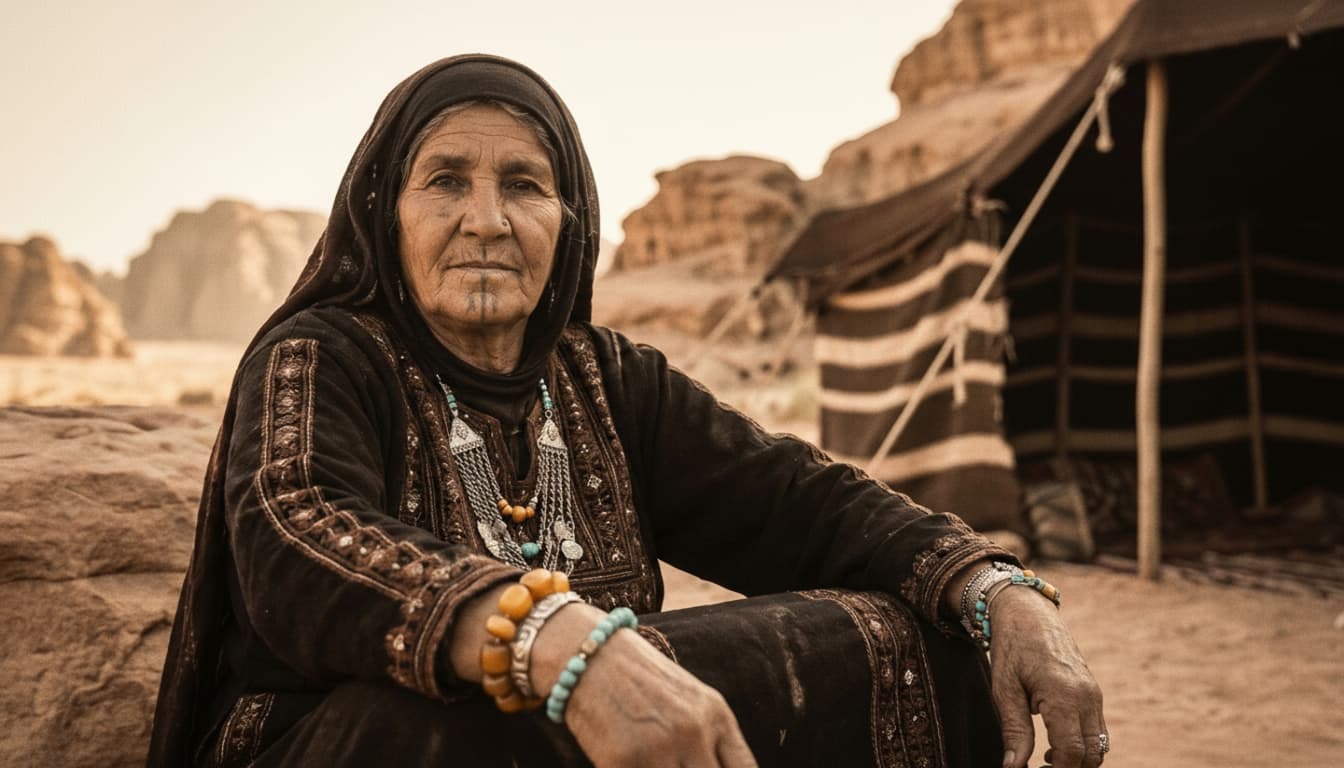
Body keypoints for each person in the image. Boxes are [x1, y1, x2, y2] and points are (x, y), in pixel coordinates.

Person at [148, 54, 1107, 768]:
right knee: (462, 729)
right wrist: (562, 644)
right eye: (446, 180)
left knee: (918, 631)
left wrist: (996, 589)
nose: (486, 219)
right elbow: (300, 538)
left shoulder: (603, 377)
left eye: (524, 185)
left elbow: (796, 500)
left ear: (569, 223)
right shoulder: (321, 352)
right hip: (348, 742)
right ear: (384, 212)